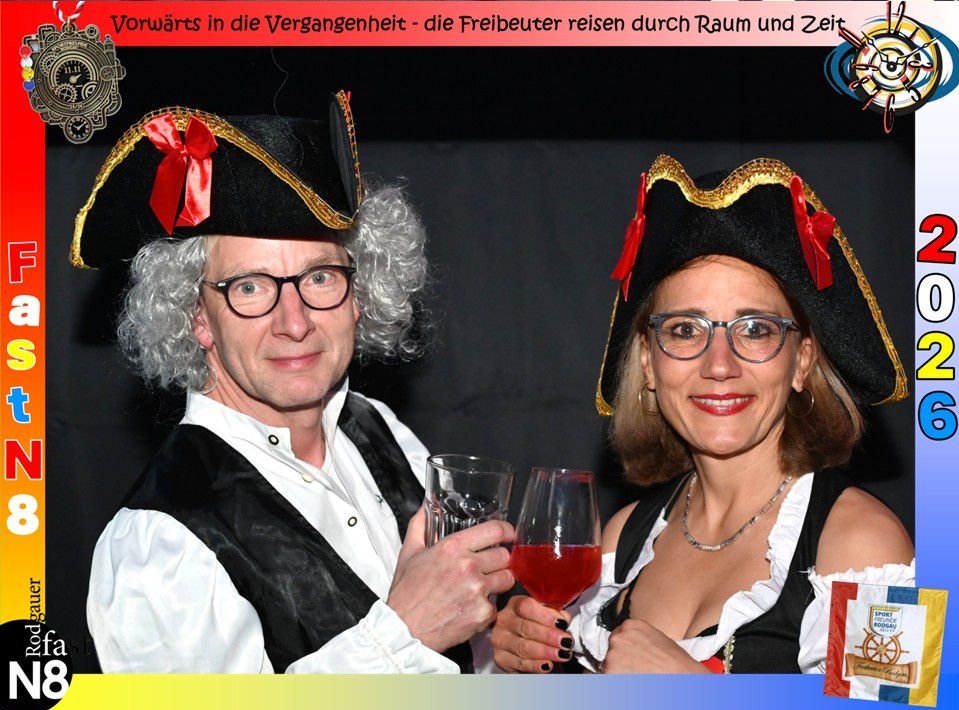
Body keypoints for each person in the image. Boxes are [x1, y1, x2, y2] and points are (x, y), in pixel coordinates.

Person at [75, 93, 514, 673]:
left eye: (320, 277)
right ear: (196, 316)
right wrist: (403, 638)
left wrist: (501, 652)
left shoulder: (381, 430)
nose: (295, 321)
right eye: (250, 287)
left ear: (360, 295)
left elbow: (459, 664)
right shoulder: (160, 542)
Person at [491, 154, 914, 674]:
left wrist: (697, 693)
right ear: (649, 363)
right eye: (685, 330)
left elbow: (903, 709)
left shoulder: (867, 542)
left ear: (801, 361)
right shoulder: (623, 537)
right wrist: (516, 656)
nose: (719, 366)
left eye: (754, 330)